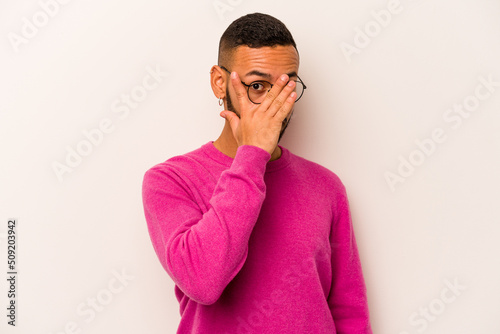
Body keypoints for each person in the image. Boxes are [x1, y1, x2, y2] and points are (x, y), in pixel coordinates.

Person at [142, 12, 372, 333]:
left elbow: (349, 311)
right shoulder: (170, 180)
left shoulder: (327, 186)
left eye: (286, 86)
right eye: (258, 86)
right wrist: (252, 156)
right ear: (219, 83)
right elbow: (203, 281)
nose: (275, 105)